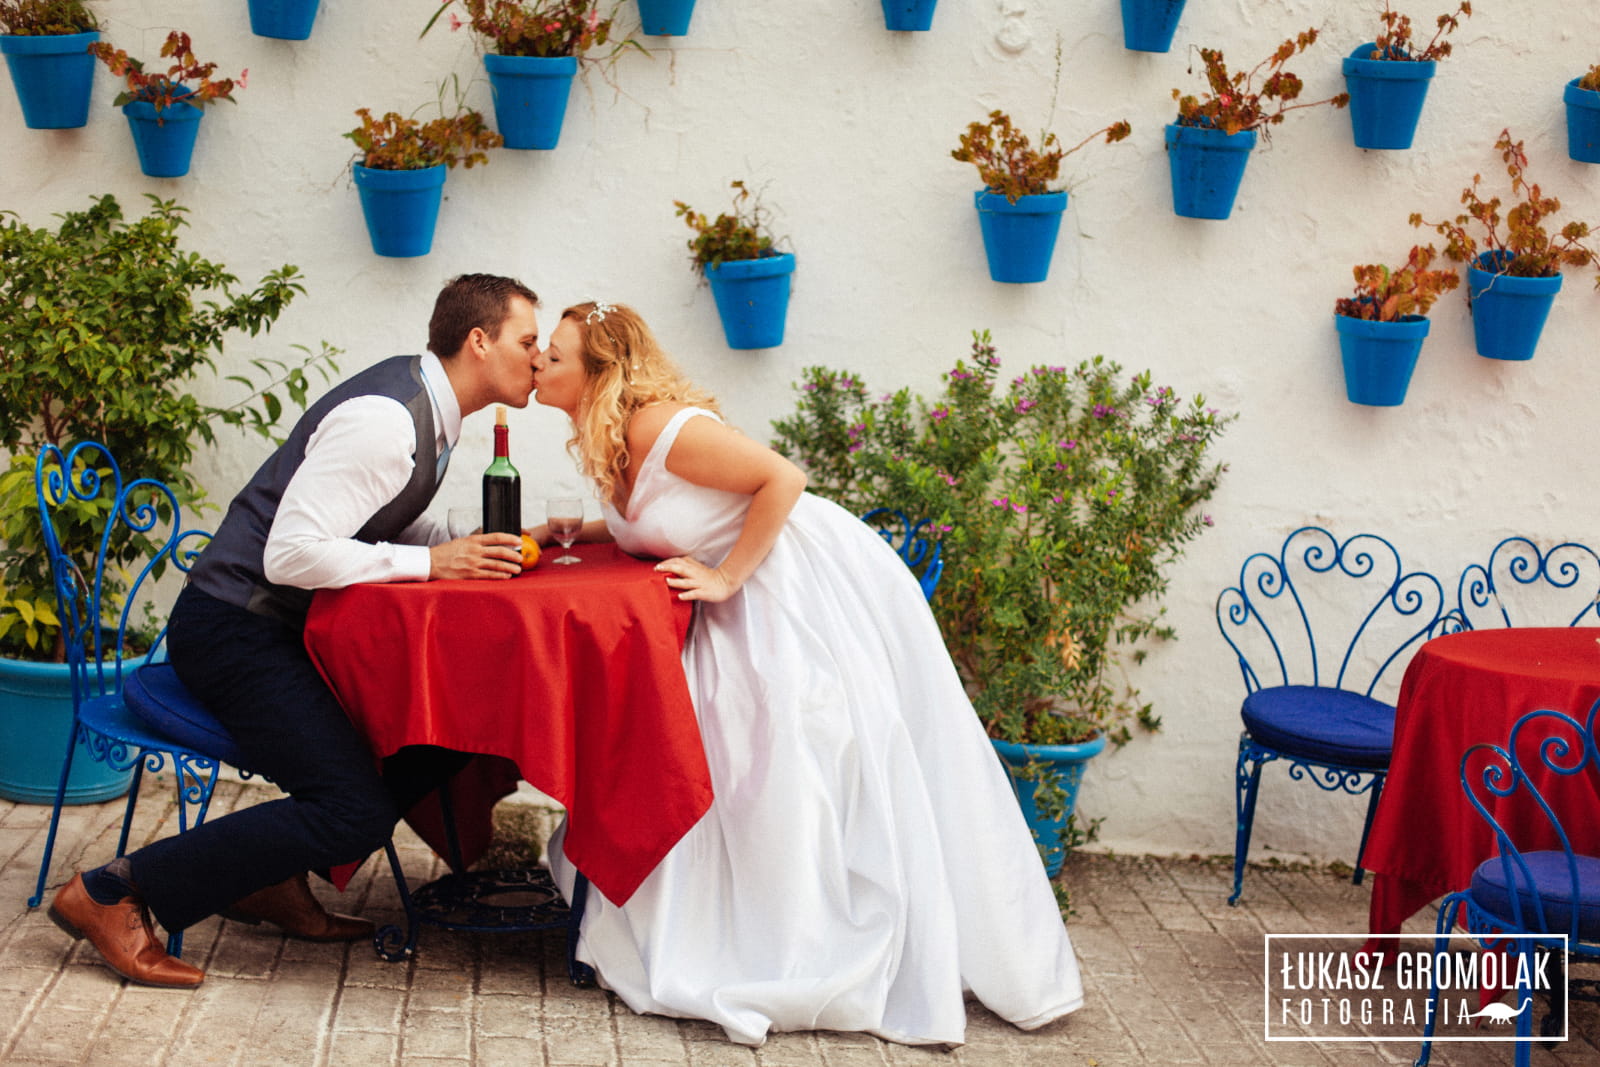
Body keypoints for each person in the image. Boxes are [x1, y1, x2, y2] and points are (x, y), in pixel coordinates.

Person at [529, 300, 1084, 1047]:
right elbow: (665, 515)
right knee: (701, 742)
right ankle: (725, 919)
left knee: (782, 746)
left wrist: (726, 578)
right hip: (731, 602)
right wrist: (571, 530)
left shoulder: (662, 426)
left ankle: (804, 941)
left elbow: (781, 481)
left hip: (792, 582)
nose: (538, 362)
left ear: (599, 371)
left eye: (553, 355)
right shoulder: (608, 439)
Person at [47, 274, 543, 988]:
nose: (536, 357)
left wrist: (482, 542)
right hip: (232, 628)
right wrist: (433, 563)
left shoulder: (433, 413)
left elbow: (383, 518)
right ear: (479, 341)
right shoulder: (388, 420)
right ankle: (113, 889)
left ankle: (268, 878)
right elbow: (290, 553)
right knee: (351, 810)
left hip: (282, 631)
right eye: (527, 341)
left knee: (436, 733)